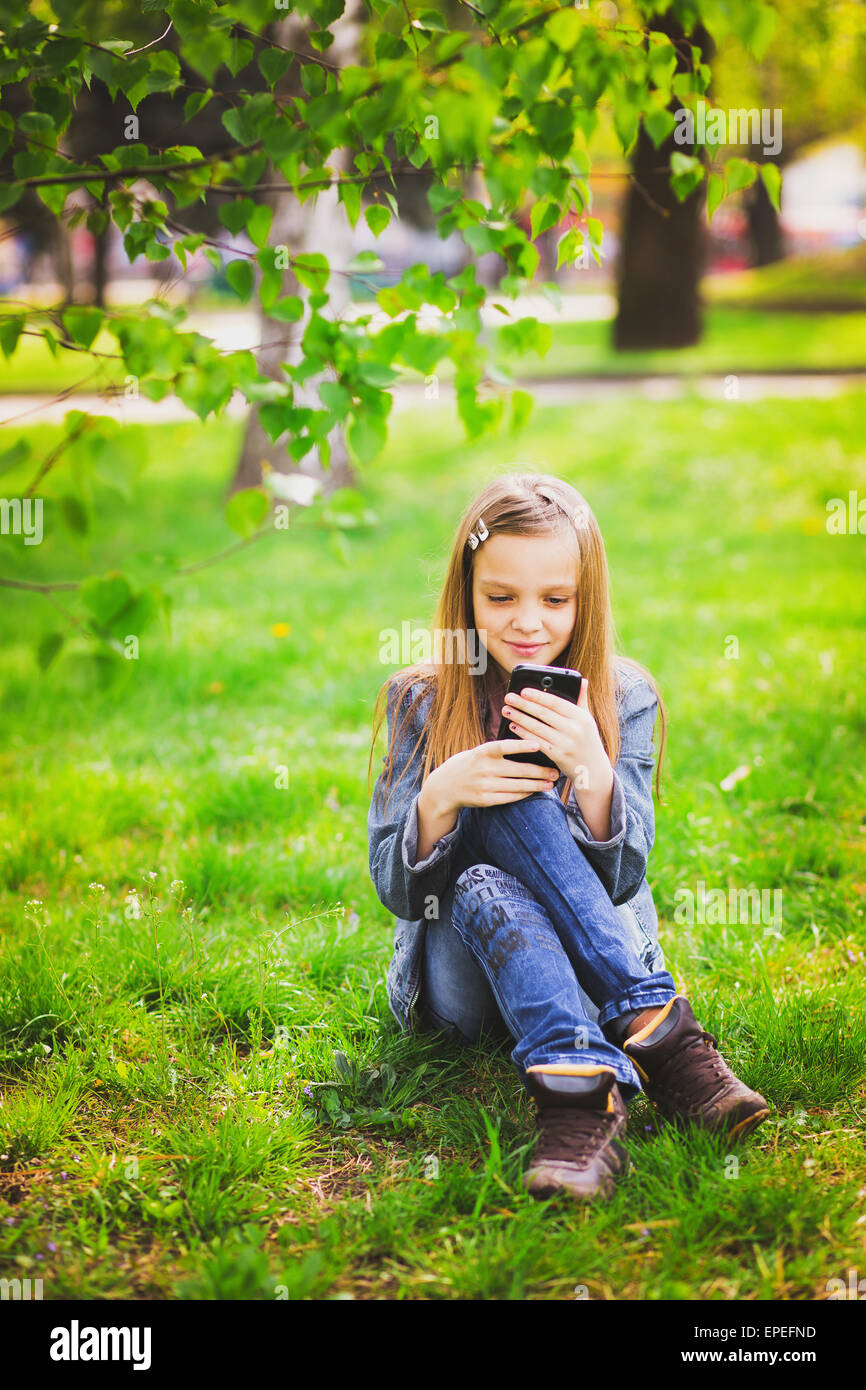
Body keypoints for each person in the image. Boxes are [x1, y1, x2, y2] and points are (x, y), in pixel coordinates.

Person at [367, 472, 769, 1203]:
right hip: (469, 991)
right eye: (500, 598)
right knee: (484, 803)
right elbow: (400, 895)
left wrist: (590, 773)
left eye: (555, 599)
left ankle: (580, 1102)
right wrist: (440, 798)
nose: (529, 622)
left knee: (495, 839)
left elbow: (622, 884)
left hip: (590, 969)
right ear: (464, 596)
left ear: (587, 598)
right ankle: (658, 1029)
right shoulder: (421, 700)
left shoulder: (624, 695)